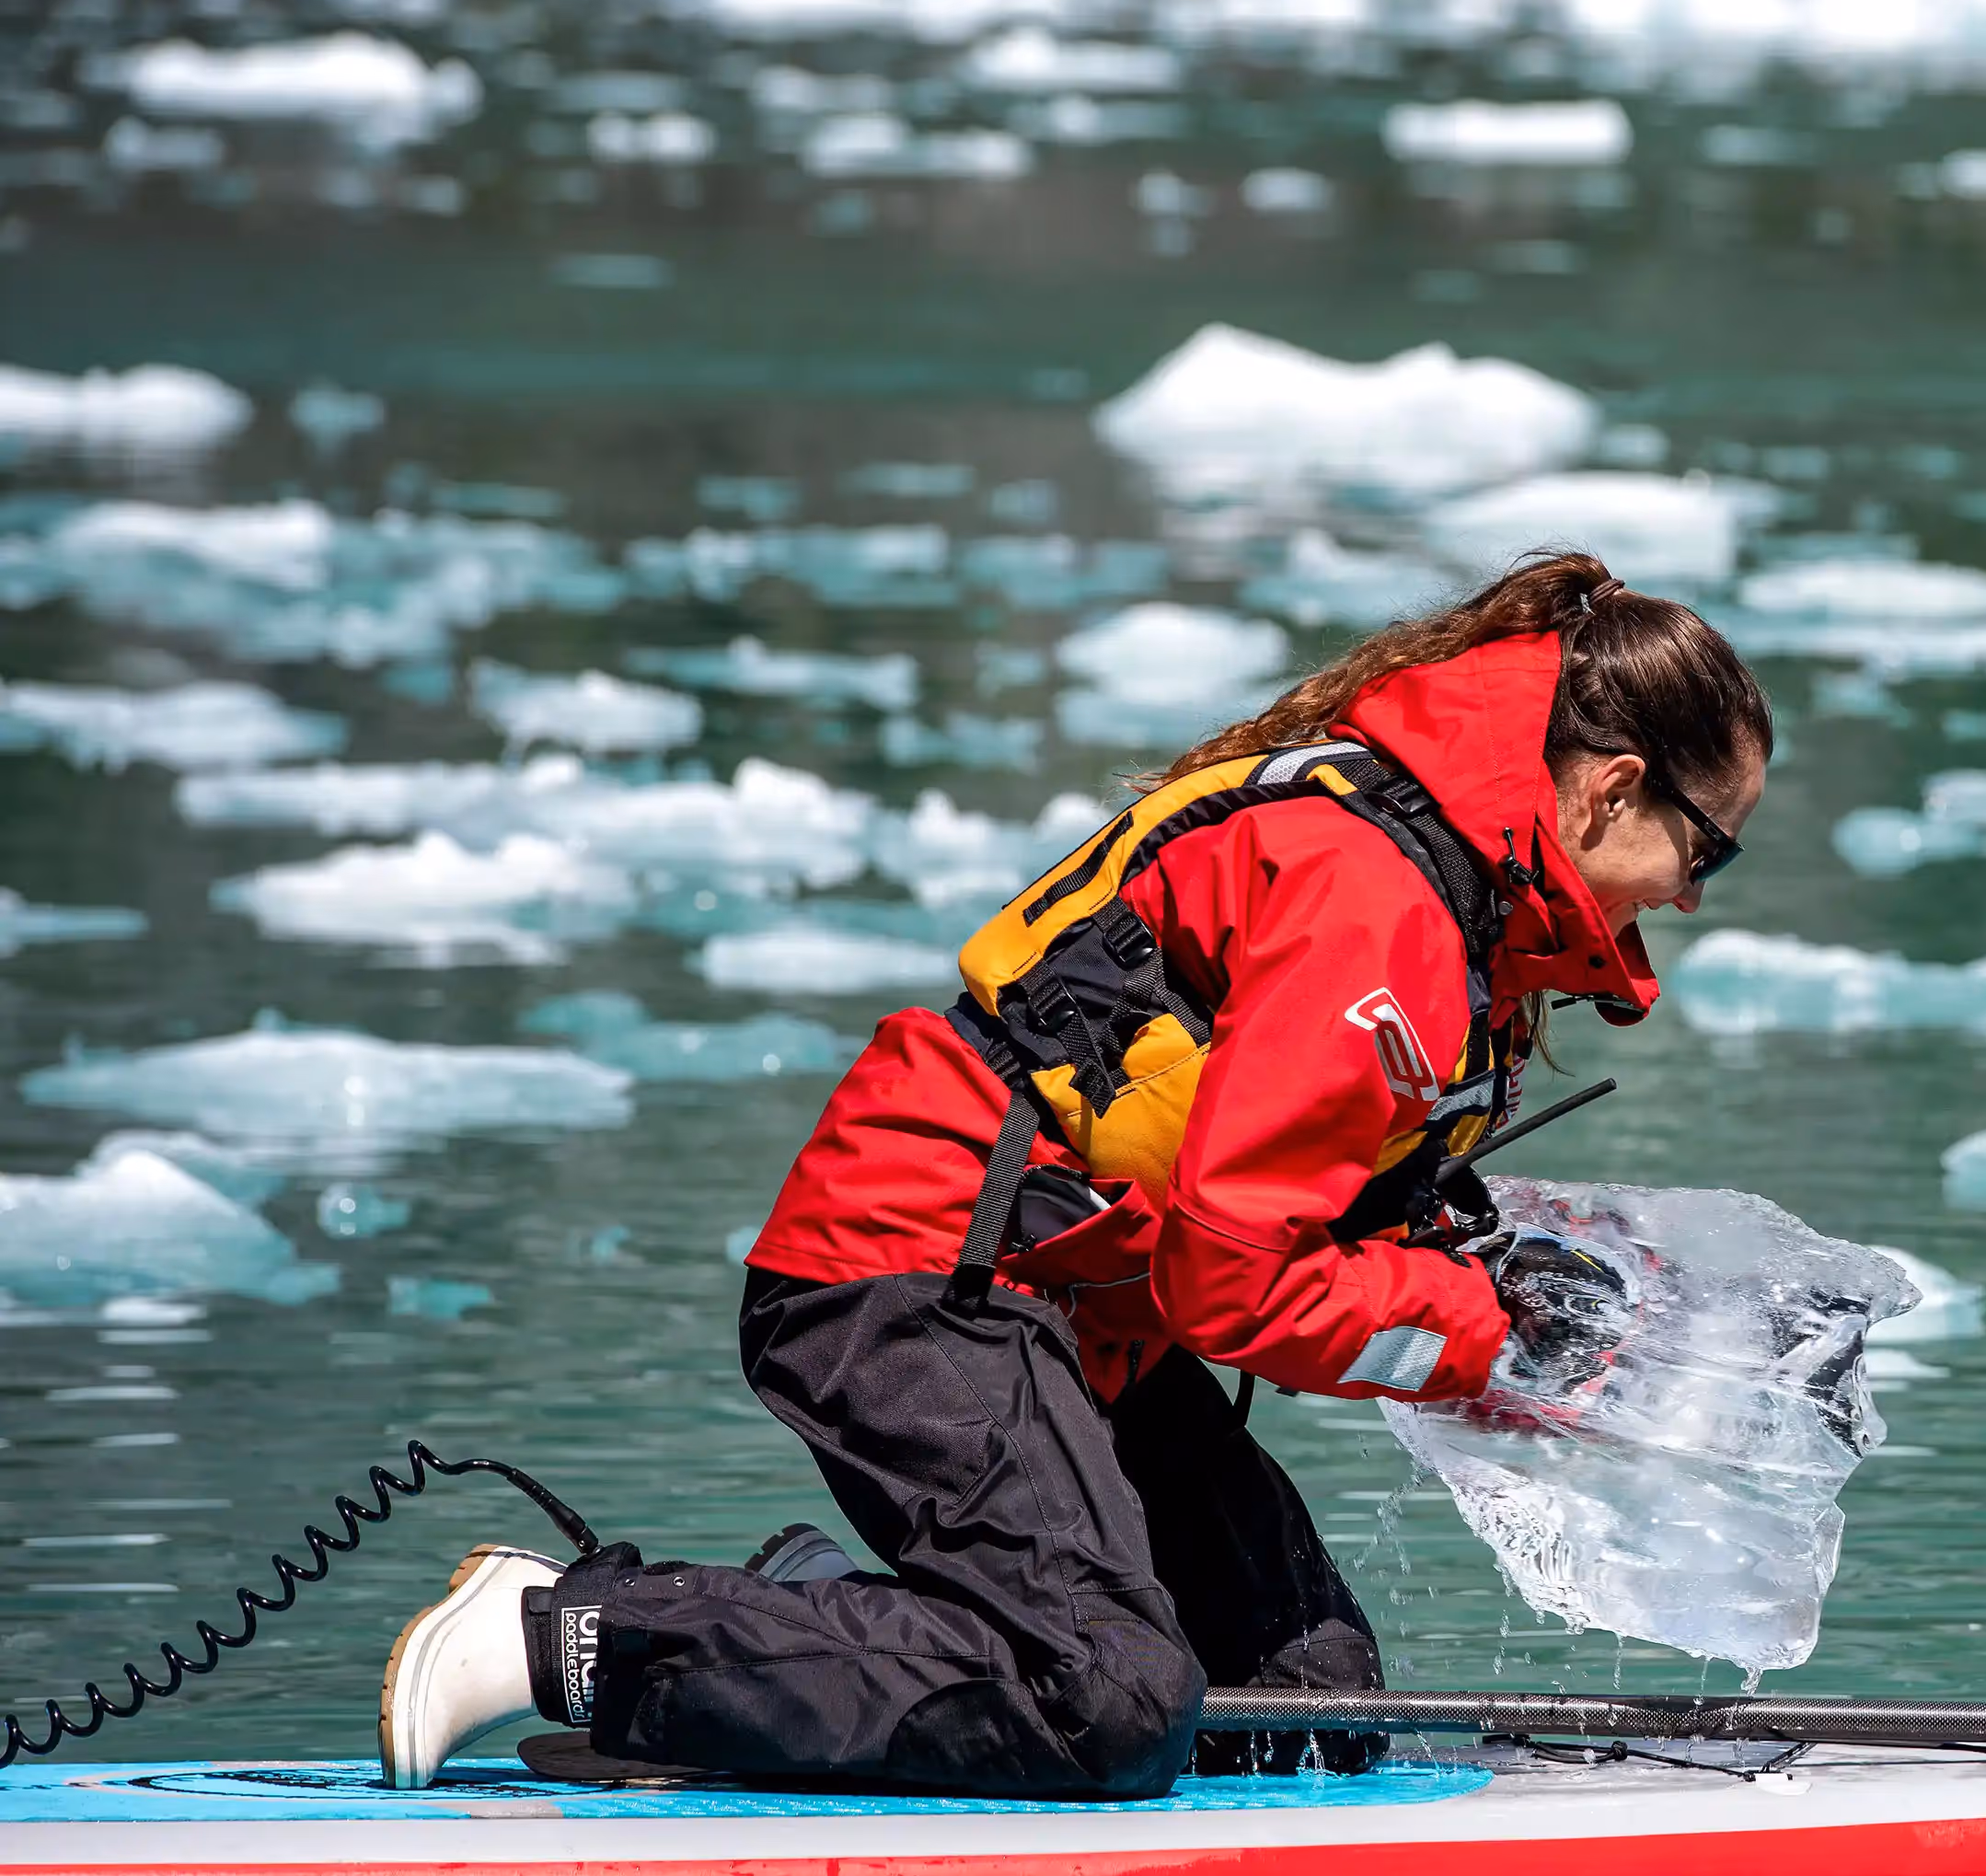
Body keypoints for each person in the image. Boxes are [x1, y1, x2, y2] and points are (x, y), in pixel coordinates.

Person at [375, 551, 1772, 1795]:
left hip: (1076, 1309)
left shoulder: (1453, 903)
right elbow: (1237, 1282)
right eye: (1705, 851)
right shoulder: (1383, 906)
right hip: (916, 1281)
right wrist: (1486, 1344)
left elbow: (1285, 1221)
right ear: (1613, 787)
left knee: (1304, 1715)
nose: (1693, 897)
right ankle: (569, 1635)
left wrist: (1509, 1300)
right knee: (1104, 1704)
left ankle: (822, 1624)